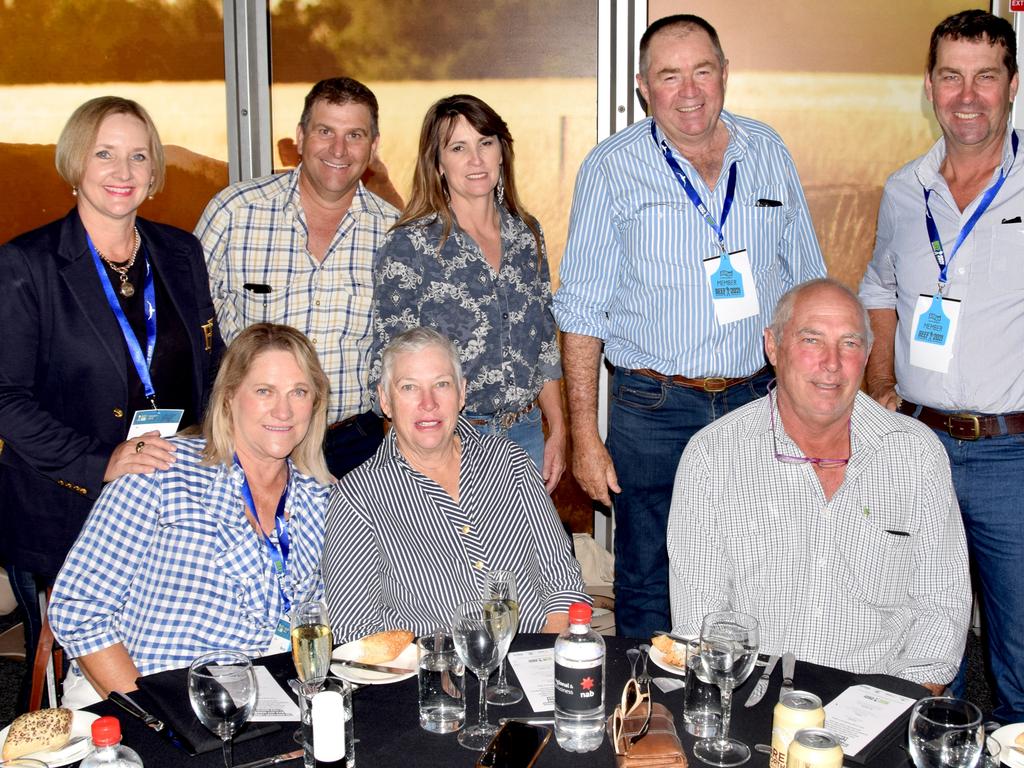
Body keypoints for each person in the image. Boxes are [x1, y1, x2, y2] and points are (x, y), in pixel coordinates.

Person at [552, 14, 825, 638]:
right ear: (645, 87)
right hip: (652, 404)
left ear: (726, 74)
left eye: (703, 71)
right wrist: (587, 439)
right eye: (669, 76)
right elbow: (582, 311)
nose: (690, 91)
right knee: (647, 570)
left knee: (757, 561)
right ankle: (644, 717)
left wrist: (816, 403)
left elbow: (806, 285)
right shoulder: (611, 169)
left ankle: (745, 710)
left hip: (757, 399)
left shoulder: (768, 153)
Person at [0, 96, 223, 711]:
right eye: (105, 153)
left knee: (154, 652)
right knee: (75, 681)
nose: (122, 171)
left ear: (154, 174)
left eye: (138, 156)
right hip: (67, 503)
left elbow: (210, 363)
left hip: (167, 494)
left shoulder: (180, 253)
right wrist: (100, 460)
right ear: (76, 162)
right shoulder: (26, 265)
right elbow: (4, 399)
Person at [667, 279, 970, 691]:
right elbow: (701, 618)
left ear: (866, 354)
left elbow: (942, 606)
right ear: (773, 347)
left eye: (849, 343)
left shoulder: (916, 455)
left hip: (879, 698)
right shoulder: (713, 457)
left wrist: (897, 709)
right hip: (752, 694)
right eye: (812, 340)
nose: (831, 362)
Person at [859, 9, 1024, 722]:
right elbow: (879, 286)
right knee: (922, 643)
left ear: (1012, 85)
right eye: (951, 77)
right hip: (917, 447)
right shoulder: (904, 190)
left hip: (1011, 455)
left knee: (1019, 651)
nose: (967, 95)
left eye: (985, 77)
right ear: (928, 87)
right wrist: (880, 388)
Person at [49, 323, 331, 707]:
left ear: (316, 403)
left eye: (299, 392)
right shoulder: (162, 470)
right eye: (264, 391)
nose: (283, 410)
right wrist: (158, 718)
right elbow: (80, 609)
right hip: (140, 695)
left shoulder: (320, 499)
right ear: (230, 397)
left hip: (257, 703)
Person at [322, 328, 587, 642]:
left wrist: (542, 659)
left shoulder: (510, 463)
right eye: (409, 387)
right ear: (385, 400)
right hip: (430, 678)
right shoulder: (356, 499)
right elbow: (354, 632)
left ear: (462, 393)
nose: (428, 403)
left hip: (532, 663)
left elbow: (563, 580)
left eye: (441, 384)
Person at [196, 77, 399, 479]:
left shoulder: (394, 233)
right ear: (301, 136)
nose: (338, 150)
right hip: (250, 443)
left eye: (354, 135)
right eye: (325, 131)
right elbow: (186, 326)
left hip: (354, 449)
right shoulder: (235, 214)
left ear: (373, 147)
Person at [370, 95, 564, 490]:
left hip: (526, 434)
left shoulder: (527, 234)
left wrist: (557, 429)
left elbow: (543, 342)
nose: (476, 160)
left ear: (501, 153)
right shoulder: (410, 246)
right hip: (447, 440)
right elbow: (389, 364)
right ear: (439, 164)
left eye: (485, 143)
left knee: (524, 552)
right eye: (458, 147)